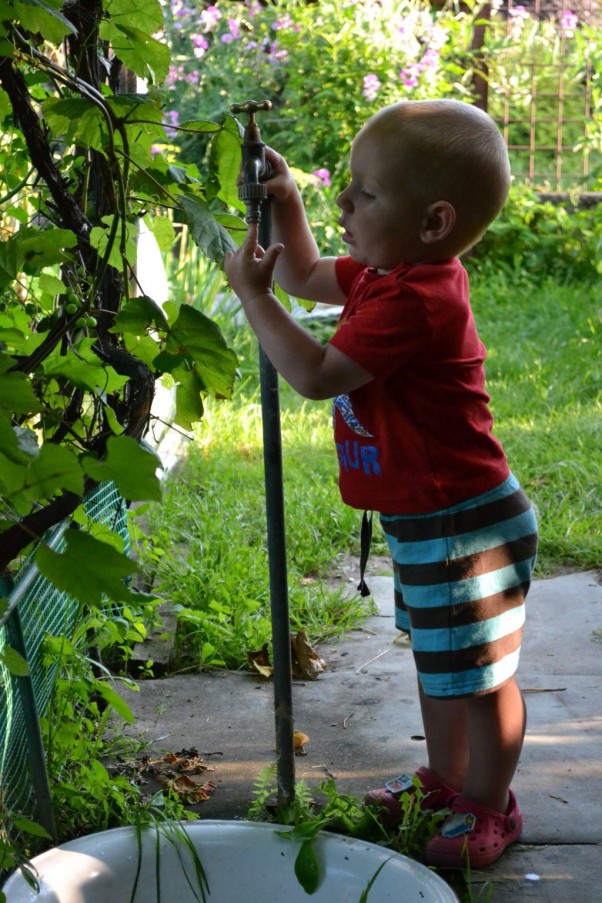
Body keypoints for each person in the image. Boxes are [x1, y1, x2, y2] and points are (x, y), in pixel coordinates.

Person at [224, 98, 539, 869]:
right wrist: (287, 200)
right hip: (429, 516)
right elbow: (302, 273)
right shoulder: (385, 272)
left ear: (432, 222)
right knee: (444, 661)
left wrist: (253, 299)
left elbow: (315, 372)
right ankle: (449, 780)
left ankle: (492, 806)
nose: (345, 203)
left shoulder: (415, 299)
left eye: (364, 193)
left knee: (482, 675)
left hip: (465, 527)